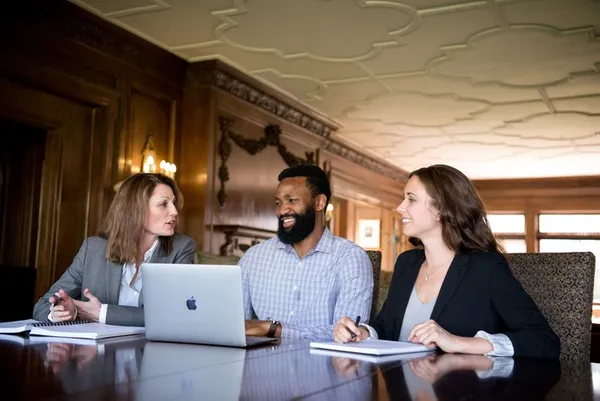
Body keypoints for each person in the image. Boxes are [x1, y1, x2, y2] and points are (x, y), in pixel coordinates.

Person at [333, 164, 560, 358]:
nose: (400, 207)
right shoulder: (406, 262)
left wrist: (457, 342)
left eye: (411, 199)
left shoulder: (486, 268)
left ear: (441, 209)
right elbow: (386, 327)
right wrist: (361, 332)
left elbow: (543, 340)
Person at [32, 173, 196, 326]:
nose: (174, 211)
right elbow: (43, 305)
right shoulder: (93, 249)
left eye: (173, 203)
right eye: (163, 204)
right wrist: (60, 312)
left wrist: (101, 313)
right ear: (134, 209)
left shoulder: (181, 248)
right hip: (94, 354)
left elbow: (174, 314)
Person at [241, 164, 373, 340]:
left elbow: (349, 335)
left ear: (320, 202)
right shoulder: (253, 257)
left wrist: (273, 329)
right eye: (278, 203)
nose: (282, 210)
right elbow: (231, 324)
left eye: (292, 201)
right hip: (257, 364)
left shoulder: (350, 258)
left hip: (325, 366)